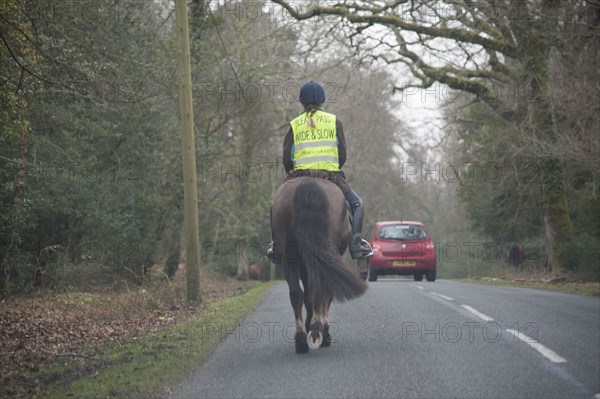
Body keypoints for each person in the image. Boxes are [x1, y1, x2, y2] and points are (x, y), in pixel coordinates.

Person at [267, 80, 372, 261]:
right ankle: (356, 245)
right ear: (323, 100)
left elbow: (287, 158)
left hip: (299, 174)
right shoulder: (334, 122)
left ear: (301, 101)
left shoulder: (295, 124)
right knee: (357, 204)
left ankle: (276, 247)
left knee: (275, 206)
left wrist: (293, 172)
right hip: (330, 176)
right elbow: (342, 155)